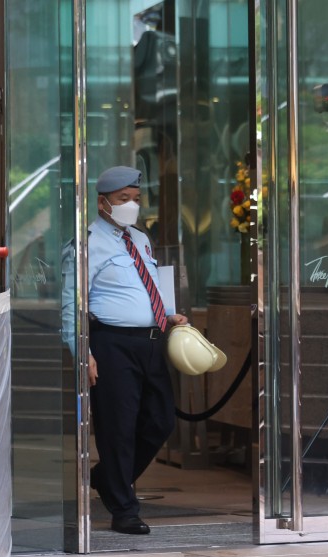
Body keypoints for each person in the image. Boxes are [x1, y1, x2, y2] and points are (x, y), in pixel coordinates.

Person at [62, 166, 188, 534]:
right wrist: (82, 352)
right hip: (111, 343)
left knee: (160, 420)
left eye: (135, 199)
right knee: (117, 427)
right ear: (103, 203)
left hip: (150, 342)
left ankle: (106, 479)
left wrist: (167, 313)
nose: (131, 206)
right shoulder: (85, 244)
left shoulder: (141, 239)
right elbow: (72, 305)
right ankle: (124, 509)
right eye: (123, 200)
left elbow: (144, 287)